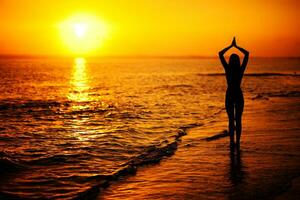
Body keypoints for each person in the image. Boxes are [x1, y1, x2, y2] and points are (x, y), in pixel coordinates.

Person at [219, 37, 249, 149]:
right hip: (237, 94)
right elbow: (247, 54)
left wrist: (231, 46)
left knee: (232, 119)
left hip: (230, 94)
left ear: (230, 61)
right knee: (238, 119)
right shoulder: (240, 69)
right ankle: (237, 142)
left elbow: (220, 54)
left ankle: (232, 142)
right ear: (238, 61)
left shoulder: (228, 69)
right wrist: (236, 47)